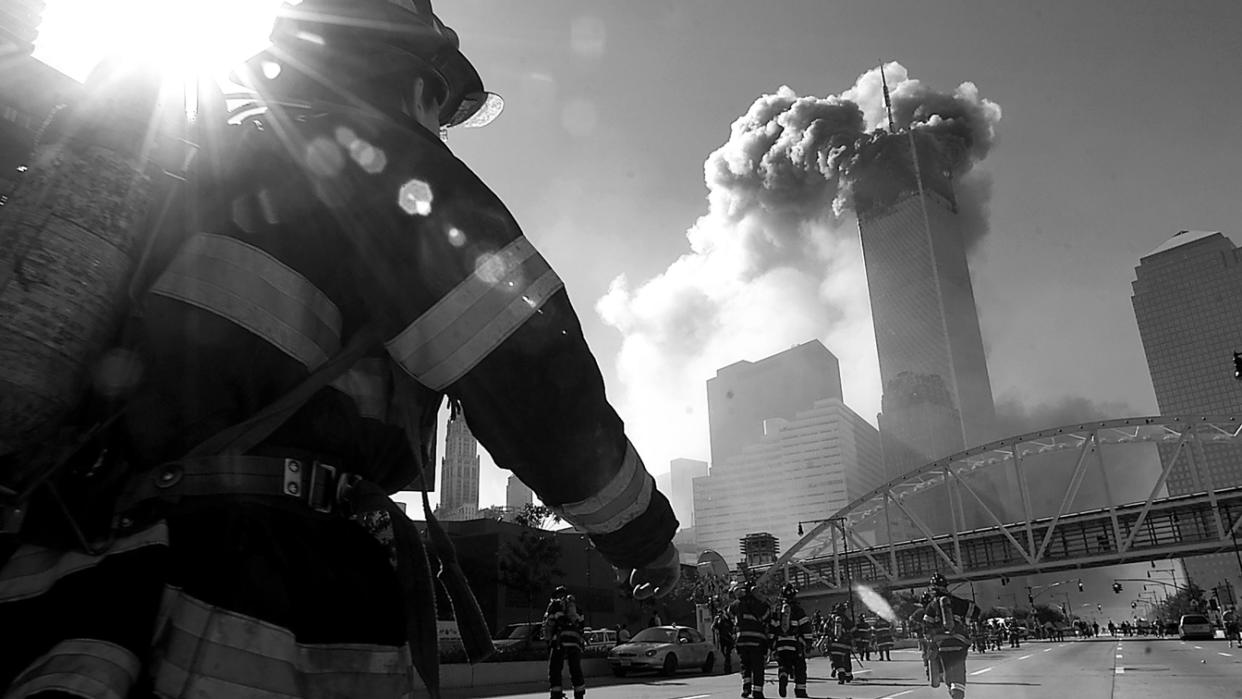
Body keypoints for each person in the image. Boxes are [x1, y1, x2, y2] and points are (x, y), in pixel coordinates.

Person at [0, 1, 683, 697]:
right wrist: (643, 536)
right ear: (417, 78)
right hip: (256, 583)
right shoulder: (380, 164)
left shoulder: (203, 172)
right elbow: (531, 372)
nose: (440, 126)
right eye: (442, 108)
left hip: (82, 579)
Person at [923, 573, 980, 699]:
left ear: (933, 588)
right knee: (959, 676)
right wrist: (965, 622)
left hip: (942, 646)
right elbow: (976, 611)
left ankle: (953, 692)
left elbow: (926, 630)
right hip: (960, 643)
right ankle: (957, 693)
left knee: (949, 676)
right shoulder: (959, 602)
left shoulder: (931, 606)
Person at [767, 583, 812, 698]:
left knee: (783, 664)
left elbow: (772, 628)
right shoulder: (798, 610)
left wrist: (771, 644)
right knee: (800, 667)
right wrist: (808, 643)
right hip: (795, 644)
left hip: (780, 645)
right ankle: (800, 691)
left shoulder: (777, 611)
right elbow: (805, 627)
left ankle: (783, 676)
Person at [729, 580, 770, 699]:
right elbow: (766, 616)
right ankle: (757, 691)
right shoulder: (759, 604)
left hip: (741, 640)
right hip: (756, 641)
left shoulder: (736, 604)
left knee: (745, 665)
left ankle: (746, 688)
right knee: (757, 666)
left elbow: (729, 614)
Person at [545, 586, 586, 699]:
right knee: (575, 669)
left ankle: (556, 695)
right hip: (575, 642)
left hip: (559, 641)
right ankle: (579, 695)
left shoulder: (554, 605)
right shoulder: (577, 608)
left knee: (555, 669)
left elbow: (550, 623)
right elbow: (582, 626)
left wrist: (548, 639)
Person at [826, 602, 855, 685]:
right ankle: (848, 676)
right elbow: (853, 629)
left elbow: (825, 628)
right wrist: (849, 635)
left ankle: (841, 676)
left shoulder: (831, 618)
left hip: (834, 645)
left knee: (837, 661)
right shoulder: (845, 619)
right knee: (846, 660)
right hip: (845, 645)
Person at [713, 603, 737, 673]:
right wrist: (716, 630)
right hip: (722, 638)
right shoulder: (719, 619)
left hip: (729, 638)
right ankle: (727, 666)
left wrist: (733, 634)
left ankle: (727, 668)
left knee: (727, 653)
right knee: (724, 652)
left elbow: (734, 627)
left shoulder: (730, 619)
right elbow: (714, 627)